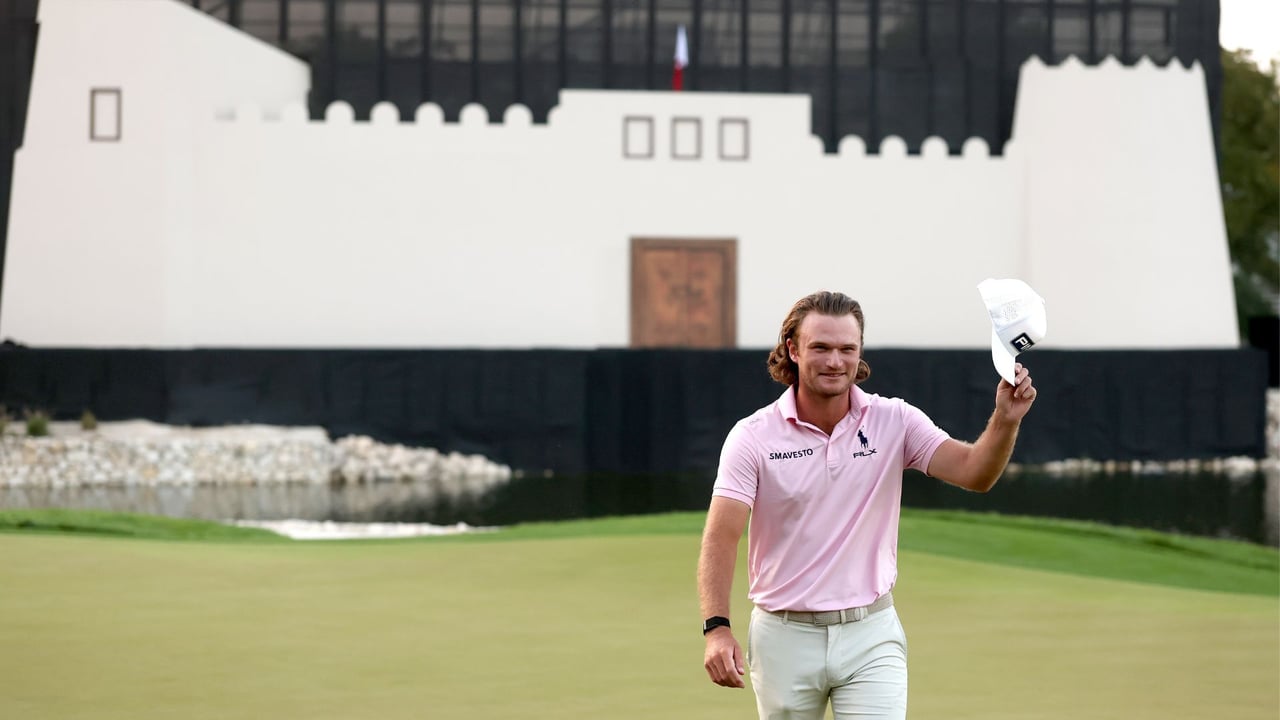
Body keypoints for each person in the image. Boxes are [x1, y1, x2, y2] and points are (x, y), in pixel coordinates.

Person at [697, 290, 1037, 720]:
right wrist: (716, 628)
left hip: (870, 633)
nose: (835, 361)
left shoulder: (894, 420)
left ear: (859, 355)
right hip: (783, 635)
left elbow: (975, 473)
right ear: (793, 350)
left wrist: (1006, 419)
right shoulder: (752, 436)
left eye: (847, 349)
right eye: (820, 347)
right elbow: (722, 534)